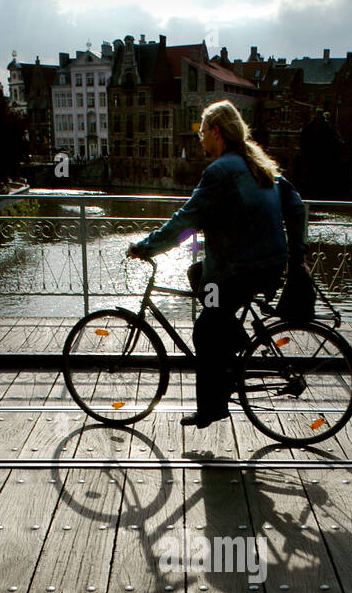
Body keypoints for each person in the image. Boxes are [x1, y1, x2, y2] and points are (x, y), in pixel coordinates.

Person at [127, 100, 307, 428]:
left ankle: (213, 406)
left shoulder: (222, 170)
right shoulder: (257, 162)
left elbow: (186, 220)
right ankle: (234, 338)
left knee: (205, 331)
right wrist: (296, 255)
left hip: (243, 268)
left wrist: (147, 247)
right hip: (265, 263)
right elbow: (297, 207)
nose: (200, 139)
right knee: (198, 275)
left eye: (202, 132)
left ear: (216, 132)